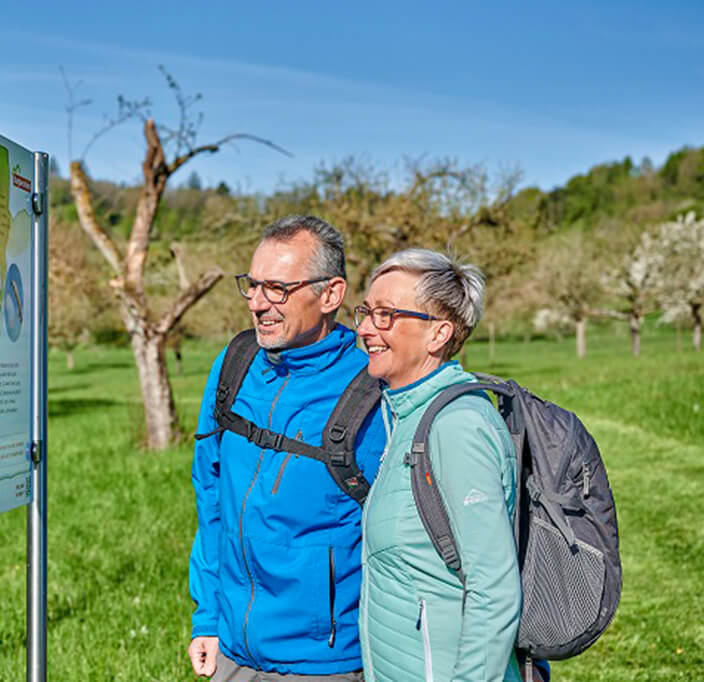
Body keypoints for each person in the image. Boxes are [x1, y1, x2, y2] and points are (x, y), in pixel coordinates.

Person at [188, 215, 387, 680]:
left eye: (277, 288)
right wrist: (210, 618)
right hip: (232, 650)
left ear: (331, 294)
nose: (257, 304)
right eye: (252, 285)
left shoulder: (372, 388)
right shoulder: (234, 363)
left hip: (326, 660)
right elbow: (210, 494)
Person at [354, 248, 524, 681]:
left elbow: (495, 590)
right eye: (367, 312)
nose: (365, 329)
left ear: (438, 334)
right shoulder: (406, 416)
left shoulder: (457, 426)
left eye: (386, 315)